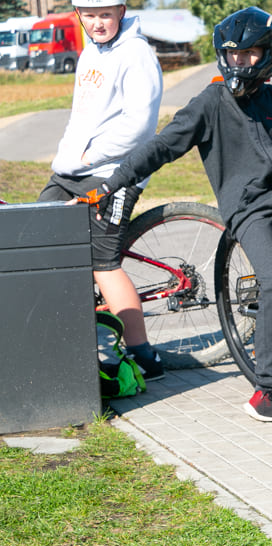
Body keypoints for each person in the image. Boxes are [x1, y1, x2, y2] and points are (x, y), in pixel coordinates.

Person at [98, 7, 272, 422]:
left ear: (268, 55)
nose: (240, 62)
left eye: (249, 54)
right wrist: (114, 182)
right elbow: (161, 146)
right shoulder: (210, 103)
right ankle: (267, 388)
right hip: (249, 208)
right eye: (233, 54)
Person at [37, 0, 164, 381]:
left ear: (121, 12)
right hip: (71, 169)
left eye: (105, 14)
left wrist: (90, 155)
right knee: (37, 237)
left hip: (114, 171)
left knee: (101, 261)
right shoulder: (90, 52)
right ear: (79, 16)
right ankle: (65, 337)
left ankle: (144, 356)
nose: (97, 23)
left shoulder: (137, 54)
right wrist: (67, 156)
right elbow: (81, 115)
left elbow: (139, 126)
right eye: (89, 15)